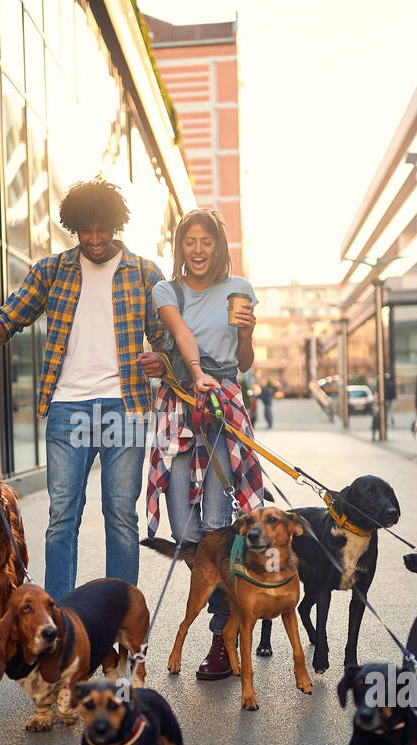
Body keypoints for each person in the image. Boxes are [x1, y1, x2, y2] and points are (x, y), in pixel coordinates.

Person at [0, 179, 166, 600]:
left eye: (102, 229)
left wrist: (163, 360)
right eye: (85, 230)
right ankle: (57, 617)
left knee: (119, 516)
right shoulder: (53, 270)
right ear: (73, 227)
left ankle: (117, 616)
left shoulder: (146, 273)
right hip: (68, 408)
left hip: (125, 406)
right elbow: (12, 313)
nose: (94, 240)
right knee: (62, 516)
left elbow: (165, 336)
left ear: (116, 225)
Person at [141, 208, 265, 681]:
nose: (197, 250)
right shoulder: (166, 291)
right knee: (187, 532)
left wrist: (248, 333)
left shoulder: (240, 289)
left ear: (218, 245)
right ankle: (228, 614)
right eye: (189, 241)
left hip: (222, 407)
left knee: (216, 523)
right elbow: (181, 334)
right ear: (181, 246)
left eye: (206, 241)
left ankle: (220, 639)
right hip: (180, 404)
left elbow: (246, 362)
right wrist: (193, 374)